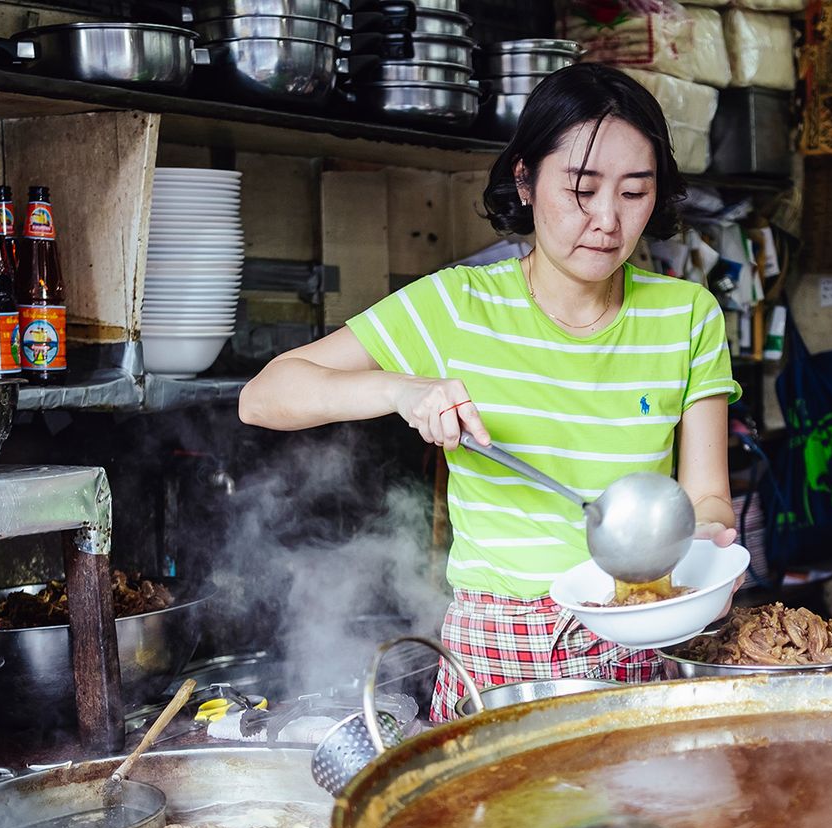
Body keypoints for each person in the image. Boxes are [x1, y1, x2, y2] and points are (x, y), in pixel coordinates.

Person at [239, 63, 740, 721]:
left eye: (634, 192)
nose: (608, 220)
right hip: (496, 653)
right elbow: (264, 395)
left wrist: (707, 543)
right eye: (582, 189)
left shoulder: (687, 316)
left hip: (641, 634)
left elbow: (707, 497)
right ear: (525, 181)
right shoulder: (457, 304)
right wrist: (400, 391)